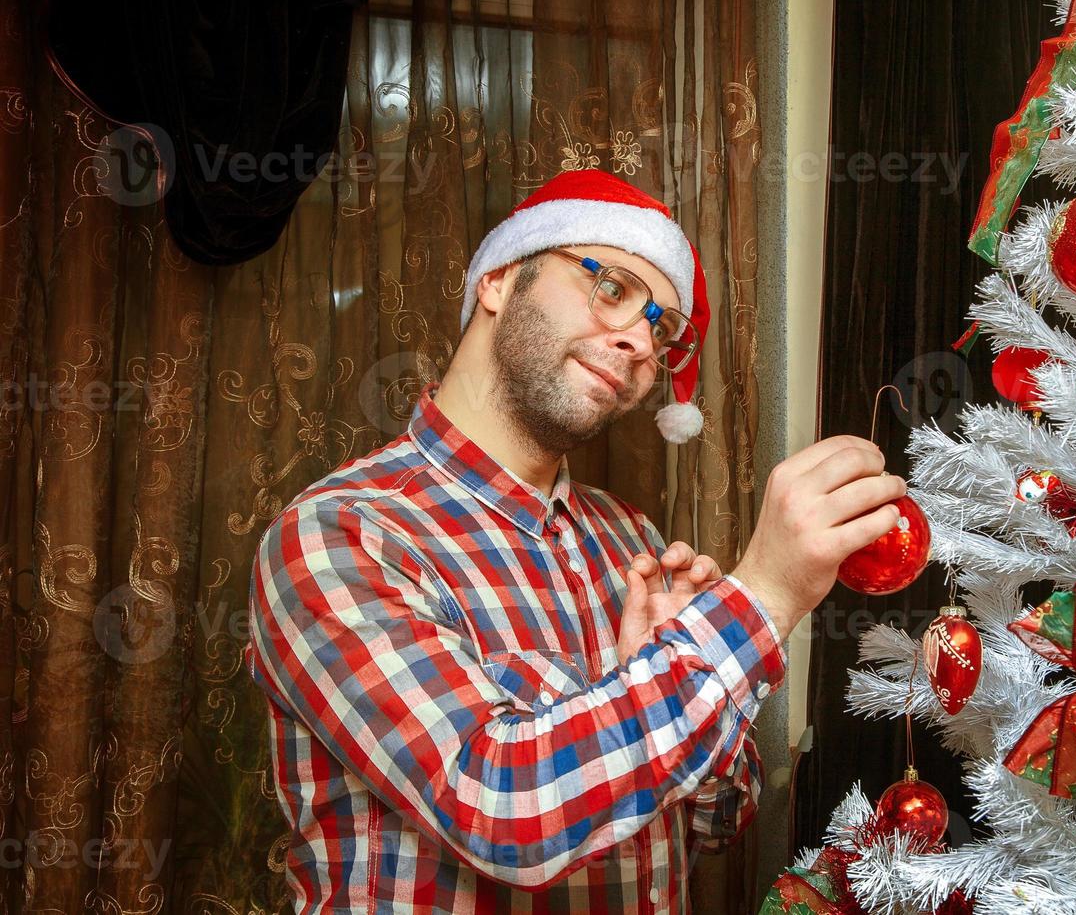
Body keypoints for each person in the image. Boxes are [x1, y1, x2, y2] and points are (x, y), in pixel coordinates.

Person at [246, 170, 905, 913]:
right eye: (613, 287)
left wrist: (661, 670)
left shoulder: (631, 538)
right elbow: (502, 812)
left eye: (661, 328)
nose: (638, 341)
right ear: (498, 281)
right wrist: (766, 593)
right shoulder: (344, 534)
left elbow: (721, 818)